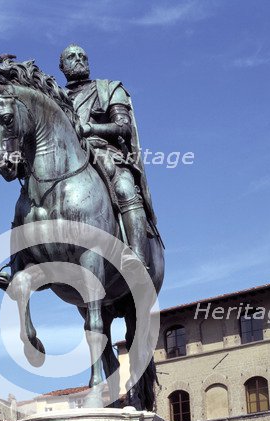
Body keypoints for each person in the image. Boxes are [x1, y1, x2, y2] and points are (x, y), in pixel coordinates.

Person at [59, 44, 161, 270]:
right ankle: (18, 263)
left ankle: (137, 256)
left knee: (124, 188)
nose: (78, 60)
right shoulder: (57, 97)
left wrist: (90, 129)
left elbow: (123, 127)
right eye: (72, 57)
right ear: (62, 66)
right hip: (67, 160)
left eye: (82, 56)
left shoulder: (109, 88)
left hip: (105, 153)